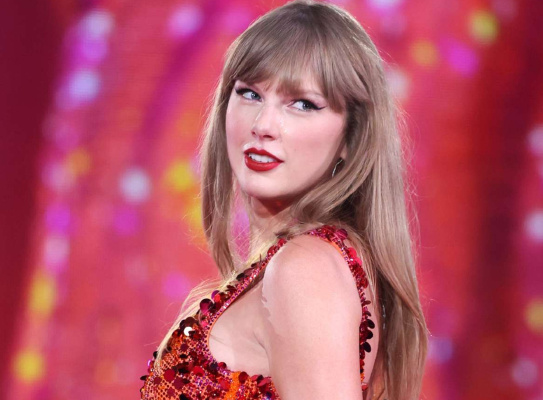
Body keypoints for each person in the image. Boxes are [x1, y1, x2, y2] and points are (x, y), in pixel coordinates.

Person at [139, 1, 428, 399]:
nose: (263, 125)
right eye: (250, 93)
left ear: (352, 138)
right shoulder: (313, 260)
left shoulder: (304, 269)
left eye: (303, 104)